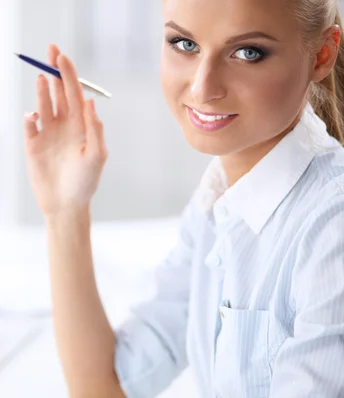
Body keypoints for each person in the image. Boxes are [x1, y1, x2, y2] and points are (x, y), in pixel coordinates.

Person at [22, 0, 344, 397]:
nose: (202, 87)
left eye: (247, 52)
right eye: (184, 44)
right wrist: (65, 211)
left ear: (323, 55)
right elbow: (105, 386)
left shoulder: (333, 229)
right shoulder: (216, 202)